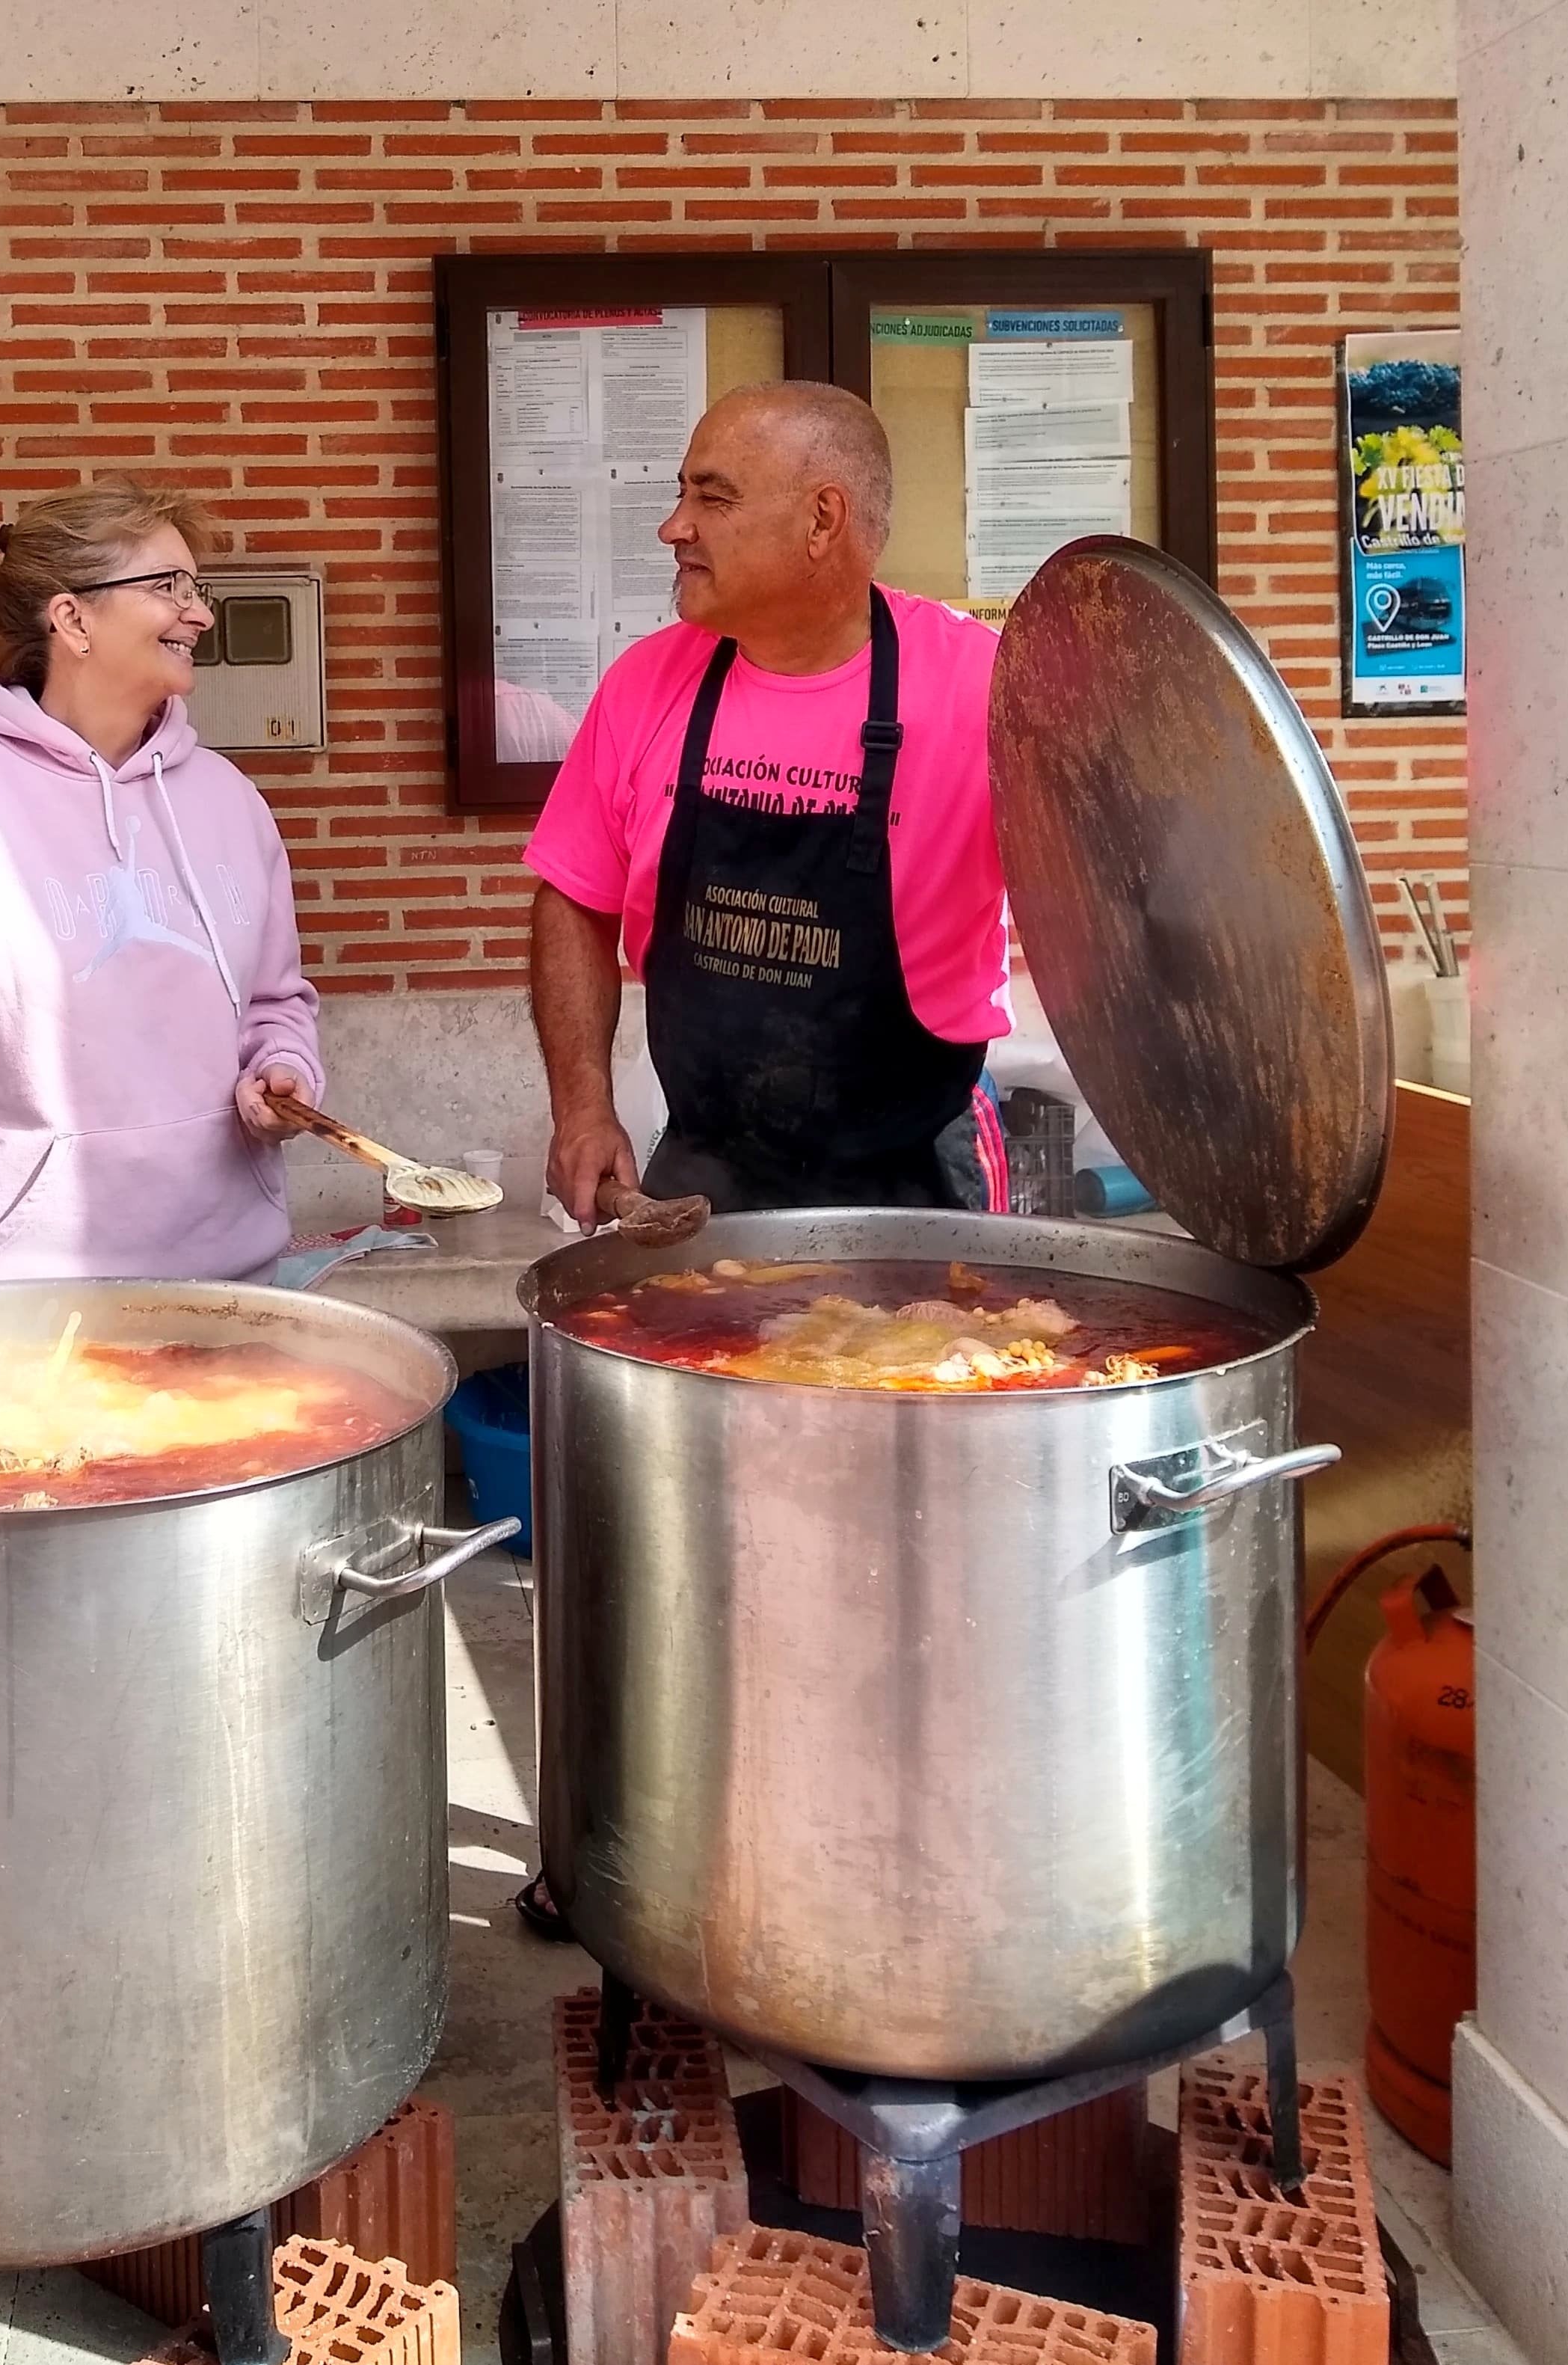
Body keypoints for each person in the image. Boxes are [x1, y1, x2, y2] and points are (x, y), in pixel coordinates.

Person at [511, 381, 1014, 1937]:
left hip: (912, 1175)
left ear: (826, 521)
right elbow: (575, 895)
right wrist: (584, 1104)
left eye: (710, 496)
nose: (674, 526)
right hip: (710, 1167)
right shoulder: (656, 685)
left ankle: (918, 1864)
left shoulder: (984, 683)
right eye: (679, 492)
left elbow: (1137, 875)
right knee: (684, 1545)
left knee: (923, 1551)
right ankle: (665, 1846)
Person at [0, 476, 321, 1284]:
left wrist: (283, 1067)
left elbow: (275, 1000)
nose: (200, 613)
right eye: (168, 587)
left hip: (230, 1281)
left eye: (196, 589)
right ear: (73, 617)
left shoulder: (232, 802)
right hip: (18, 1301)